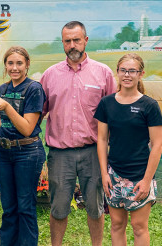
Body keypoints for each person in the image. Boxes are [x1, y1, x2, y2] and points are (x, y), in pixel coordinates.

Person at [39, 21, 116, 246]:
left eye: (76, 40)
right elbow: (38, 113)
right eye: (67, 41)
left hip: (93, 152)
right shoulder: (50, 75)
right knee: (59, 208)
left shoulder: (104, 74)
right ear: (63, 42)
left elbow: (113, 114)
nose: (72, 45)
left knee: (95, 206)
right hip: (60, 154)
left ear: (86, 40)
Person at [0, 46, 46, 246]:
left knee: (25, 207)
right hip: (4, 154)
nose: (14, 68)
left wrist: (7, 106)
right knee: (9, 207)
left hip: (27, 153)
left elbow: (27, 128)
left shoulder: (34, 89)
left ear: (27, 65)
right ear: (5, 65)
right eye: (10, 63)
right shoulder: (3, 90)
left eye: (19, 63)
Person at [94, 53, 162, 245]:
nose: (127, 74)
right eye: (123, 70)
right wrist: (105, 174)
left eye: (132, 71)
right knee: (116, 224)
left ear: (141, 74)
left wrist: (147, 179)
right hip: (114, 175)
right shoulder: (106, 104)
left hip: (140, 176)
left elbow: (157, 144)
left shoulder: (149, 105)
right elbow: (101, 139)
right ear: (117, 72)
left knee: (139, 227)